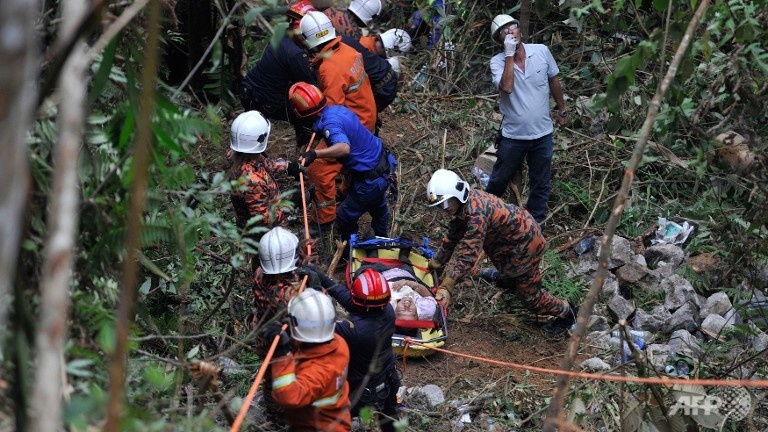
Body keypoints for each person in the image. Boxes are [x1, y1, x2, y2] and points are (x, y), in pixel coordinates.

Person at [425, 169, 577, 334]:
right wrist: (437, 262)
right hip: (509, 243)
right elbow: (452, 237)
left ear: (458, 194)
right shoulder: (463, 207)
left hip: (525, 245)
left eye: (445, 204)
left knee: (531, 299)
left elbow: (468, 255)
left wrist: (448, 285)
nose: (443, 209)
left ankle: (566, 313)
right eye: (440, 206)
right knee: (508, 267)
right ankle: (509, 278)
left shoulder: (477, 214)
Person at [289, 82, 394, 255]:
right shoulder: (335, 109)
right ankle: (380, 239)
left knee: (344, 217)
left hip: (371, 178)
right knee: (378, 207)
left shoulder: (331, 124)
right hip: (381, 164)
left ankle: (348, 255)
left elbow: (344, 147)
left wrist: (315, 154)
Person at [298, 10, 378, 235]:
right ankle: (346, 190)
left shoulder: (329, 68)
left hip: (355, 126)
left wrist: (320, 144)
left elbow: (332, 112)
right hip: (367, 118)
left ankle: (324, 220)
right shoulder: (348, 51)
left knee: (318, 168)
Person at [487, 14, 567, 226]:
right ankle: (485, 217)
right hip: (513, 136)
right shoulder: (496, 62)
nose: (510, 32)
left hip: (542, 134)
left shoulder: (541, 51)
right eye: (504, 32)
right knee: (499, 179)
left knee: (540, 182)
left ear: (520, 30)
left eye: (513, 27)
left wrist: (562, 109)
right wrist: (509, 56)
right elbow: (507, 87)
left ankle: (534, 225)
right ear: (499, 41)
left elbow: (554, 79)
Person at [298, 265, 400, 432]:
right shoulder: (387, 311)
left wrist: (316, 288)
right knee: (390, 421)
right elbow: (352, 301)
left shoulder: (354, 331)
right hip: (386, 381)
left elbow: (321, 322)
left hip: (361, 392)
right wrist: (323, 278)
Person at [250, 226, 316, 424]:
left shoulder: (259, 274)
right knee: (286, 381)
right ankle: (283, 418)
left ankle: (275, 416)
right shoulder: (290, 296)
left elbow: (284, 276)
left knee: (271, 380)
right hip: (288, 345)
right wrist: (315, 282)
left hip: (265, 338)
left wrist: (298, 258)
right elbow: (315, 308)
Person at [263, 289, 352, 431]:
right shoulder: (339, 344)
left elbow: (288, 396)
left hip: (317, 427)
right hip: (334, 419)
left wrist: (282, 355)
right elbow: (309, 346)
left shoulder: (317, 370)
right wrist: (293, 334)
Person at [228, 111, 304, 269]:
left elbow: (265, 164)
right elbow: (265, 220)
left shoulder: (244, 154)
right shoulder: (251, 182)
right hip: (264, 235)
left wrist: (288, 166)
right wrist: (292, 204)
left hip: (264, 220)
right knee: (270, 267)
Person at [240, 1, 318, 148]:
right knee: (308, 107)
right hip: (265, 101)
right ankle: (306, 147)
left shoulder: (281, 37)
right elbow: (309, 84)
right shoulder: (295, 54)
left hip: (249, 91)